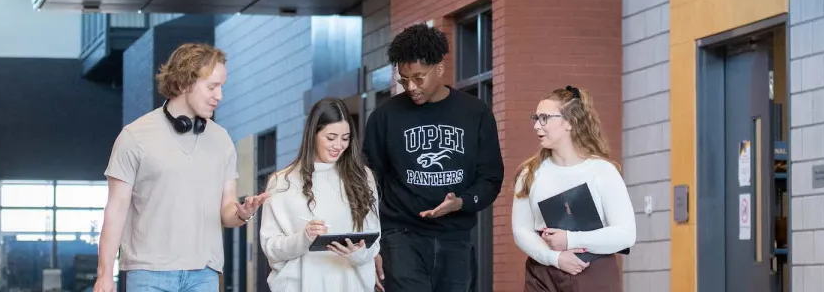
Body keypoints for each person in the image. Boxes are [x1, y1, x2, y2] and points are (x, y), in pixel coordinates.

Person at [93, 43, 272, 292]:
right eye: (212, 87)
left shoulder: (222, 140)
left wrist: (243, 213)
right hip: (148, 274)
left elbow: (227, 212)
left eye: (222, 87)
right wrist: (104, 275)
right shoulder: (134, 137)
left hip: (204, 275)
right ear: (185, 82)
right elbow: (116, 210)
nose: (219, 96)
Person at [362, 24, 505, 292]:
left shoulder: (475, 113)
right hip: (401, 238)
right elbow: (368, 184)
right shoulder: (384, 117)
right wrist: (372, 247)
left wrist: (462, 202)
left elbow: (490, 178)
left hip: (456, 238)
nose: (411, 87)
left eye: (419, 78)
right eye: (404, 80)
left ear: (439, 68)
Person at [511, 86, 635, 291]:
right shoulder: (529, 173)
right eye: (536, 118)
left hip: (593, 272)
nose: (537, 126)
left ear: (569, 122)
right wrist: (555, 258)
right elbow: (521, 231)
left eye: (544, 118)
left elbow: (626, 234)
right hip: (542, 273)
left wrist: (570, 240)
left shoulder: (602, 171)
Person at [259, 97, 381, 291]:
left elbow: (374, 240)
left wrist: (358, 254)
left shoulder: (362, 176)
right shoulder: (282, 182)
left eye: (345, 138)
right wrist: (304, 238)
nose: (338, 145)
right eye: (331, 138)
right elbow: (271, 247)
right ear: (313, 134)